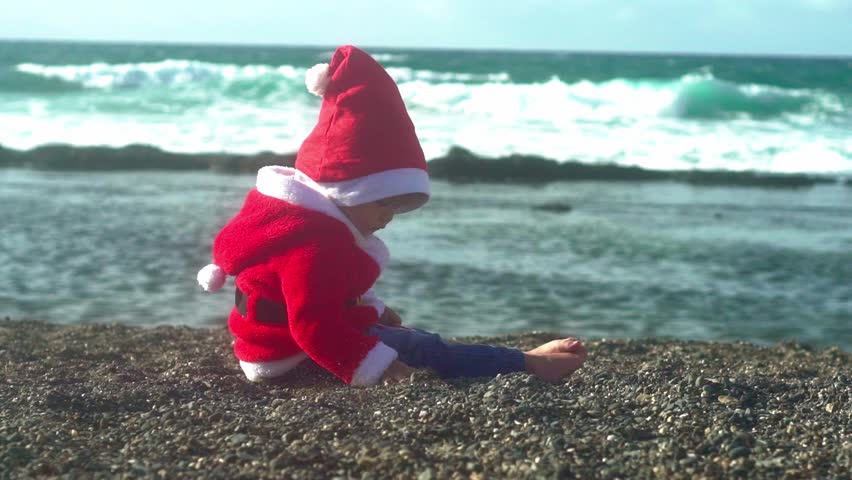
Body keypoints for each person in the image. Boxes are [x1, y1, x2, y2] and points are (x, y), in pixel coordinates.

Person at [196, 45, 587, 386]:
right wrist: (371, 365)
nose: (390, 217)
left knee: (409, 335)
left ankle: (516, 359)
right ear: (349, 192)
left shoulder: (307, 225)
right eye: (384, 203)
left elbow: (323, 296)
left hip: (275, 344)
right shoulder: (315, 246)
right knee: (425, 348)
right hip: (291, 357)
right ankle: (527, 364)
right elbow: (312, 325)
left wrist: (375, 311)